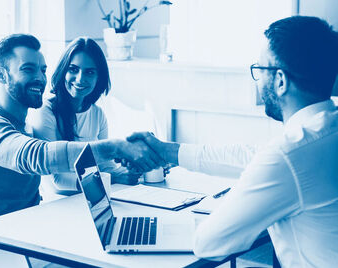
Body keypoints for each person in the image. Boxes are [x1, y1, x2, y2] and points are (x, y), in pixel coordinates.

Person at [127, 16, 338, 267]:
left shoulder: (288, 156)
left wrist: (237, 199)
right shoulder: (323, 132)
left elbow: (209, 244)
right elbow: (251, 156)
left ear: (280, 81)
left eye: (260, 69)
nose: (257, 80)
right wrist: (167, 152)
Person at [0, 34, 164, 227]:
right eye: (27, 69)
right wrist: (116, 147)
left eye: (42, 69)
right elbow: (37, 156)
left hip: (30, 226)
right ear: (1, 75)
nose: (40, 78)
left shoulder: (24, 125)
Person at [28, 36, 140, 196]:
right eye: (73, 69)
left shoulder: (97, 114)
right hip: (59, 204)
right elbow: (57, 181)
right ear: (63, 70)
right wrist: (113, 177)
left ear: (98, 78)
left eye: (89, 72)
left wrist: (132, 170)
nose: (80, 79)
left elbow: (105, 167)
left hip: (92, 199)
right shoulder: (45, 111)